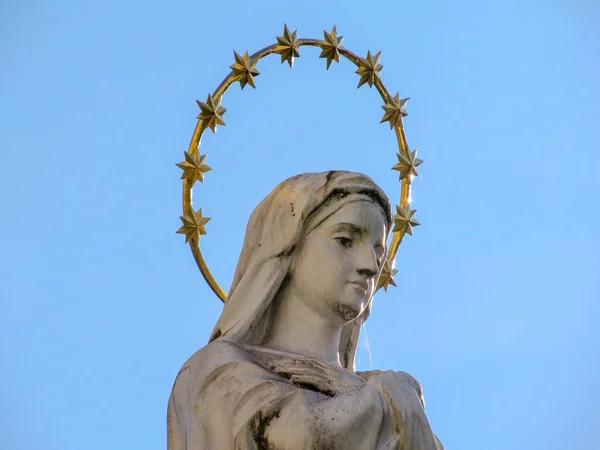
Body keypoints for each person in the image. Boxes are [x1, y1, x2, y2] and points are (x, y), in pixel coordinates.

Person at [168, 171, 443, 449]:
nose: (370, 266)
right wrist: (390, 403)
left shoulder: (385, 393)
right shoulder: (215, 370)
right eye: (346, 240)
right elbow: (294, 436)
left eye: (378, 252)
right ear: (289, 246)